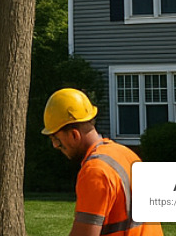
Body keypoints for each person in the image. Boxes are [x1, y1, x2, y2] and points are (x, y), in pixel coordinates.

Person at [43, 88, 163, 236]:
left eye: (56, 138)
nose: (55, 145)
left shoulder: (94, 171)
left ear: (74, 135)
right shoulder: (127, 154)